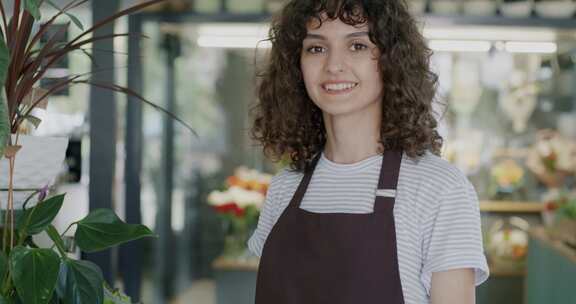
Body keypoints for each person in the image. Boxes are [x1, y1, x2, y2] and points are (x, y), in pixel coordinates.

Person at [248, 0, 489, 303]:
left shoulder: (440, 189)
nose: (334, 65)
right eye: (316, 48)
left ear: (392, 61)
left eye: (358, 46)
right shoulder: (284, 188)